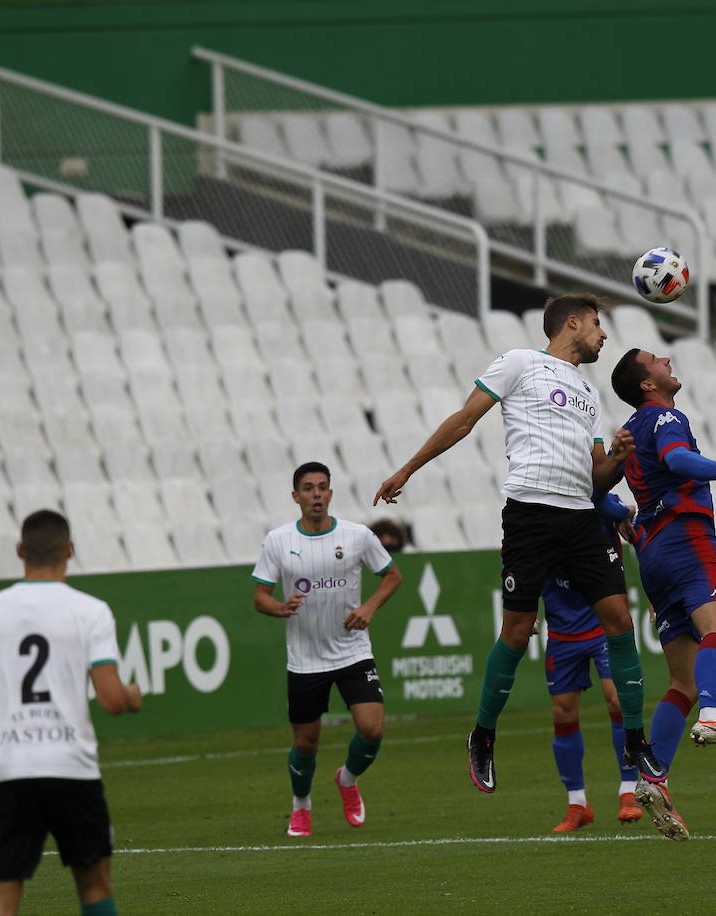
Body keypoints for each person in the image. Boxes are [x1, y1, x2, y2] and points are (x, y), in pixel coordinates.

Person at [373, 293, 666, 793]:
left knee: (619, 619)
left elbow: (597, 481)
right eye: (597, 323)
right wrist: (407, 469)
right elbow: (465, 419)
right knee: (517, 629)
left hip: (579, 515)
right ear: (571, 323)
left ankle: (635, 740)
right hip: (530, 512)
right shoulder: (520, 362)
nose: (604, 334)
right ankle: (483, 735)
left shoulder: (588, 394)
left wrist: (617, 458)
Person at [609, 347, 716, 841]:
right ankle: (715, 715)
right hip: (688, 539)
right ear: (647, 384)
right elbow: (678, 460)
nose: (667, 360)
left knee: (679, 679)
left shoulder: (628, 434)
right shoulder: (663, 418)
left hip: (654, 555)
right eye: (657, 360)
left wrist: (620, 521)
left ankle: (653, 775)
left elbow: (600, 493)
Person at [0, 509, 144, 916]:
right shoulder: (91, 610)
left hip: (7, 767)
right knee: (95, 887)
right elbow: (112, 699)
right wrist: (132, 695)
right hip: (69, 766)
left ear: (21, 550)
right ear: (71, 551)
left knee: (1, 896)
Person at [252, 461, 403, 838]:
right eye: (308, 488)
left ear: (331, 493)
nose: (316, 494)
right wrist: (279, 608)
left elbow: (392, 576)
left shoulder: (357, 536)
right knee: (306, 743)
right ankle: (301, 807)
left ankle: (347, 779)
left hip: (352, 651)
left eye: (322, 487)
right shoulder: (278, 541)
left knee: (372, 729)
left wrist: (369, 607)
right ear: (296, 496)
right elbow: (259, 597)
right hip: (305, 658)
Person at [541, 492, 643, 832]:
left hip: (602, 624)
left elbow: (622, 509)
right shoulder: (539, 507)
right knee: (563, 712)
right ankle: (577, 803)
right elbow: (513, 556)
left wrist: (621, 510)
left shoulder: (600, 500)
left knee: (617, 698)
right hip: (562, 628)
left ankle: (628, 790)